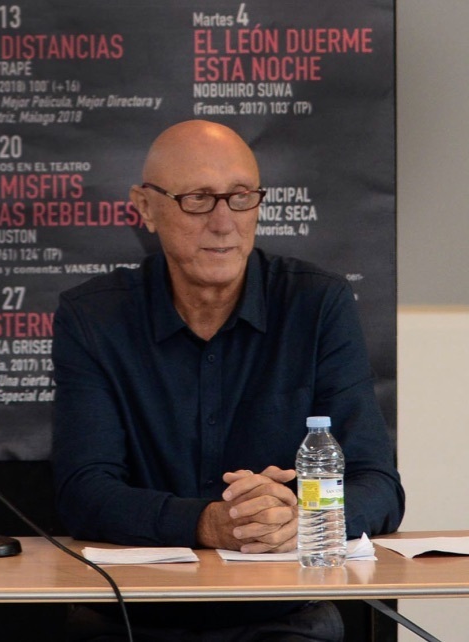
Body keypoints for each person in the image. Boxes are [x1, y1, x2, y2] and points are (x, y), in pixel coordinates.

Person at [51, 120, 405, 640]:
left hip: (281, 616)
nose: (223, 223)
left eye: (240, 198)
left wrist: (299, 517)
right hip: (131, 617)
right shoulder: (93, 318)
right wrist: (210, 522)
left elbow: (378, 486)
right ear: (145, 207)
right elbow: (83, 492)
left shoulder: (315, 304)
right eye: (197, 199)